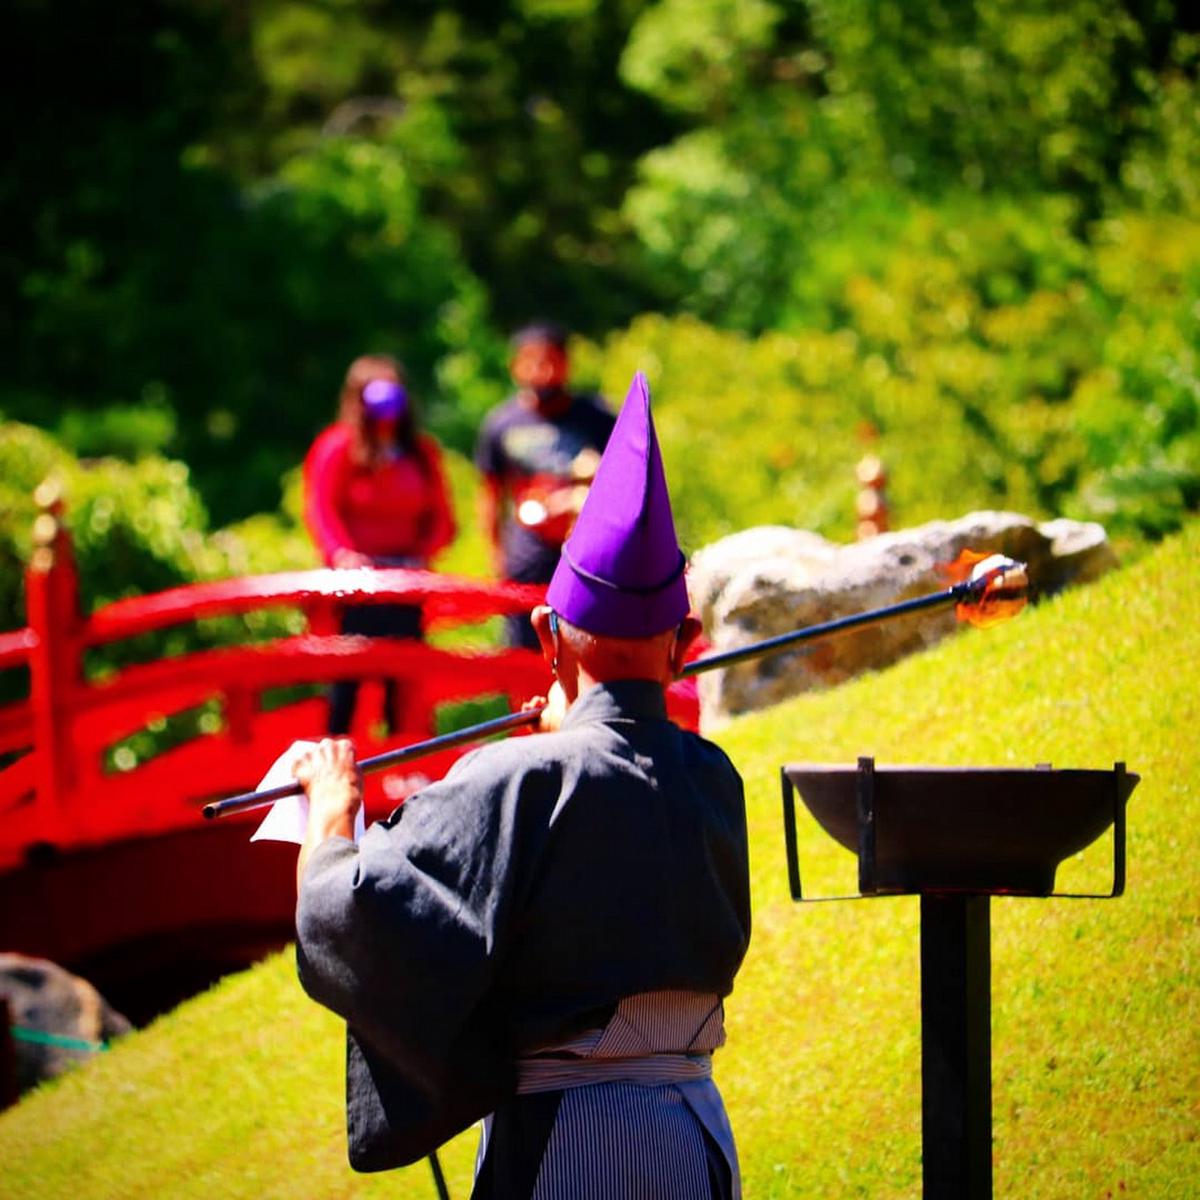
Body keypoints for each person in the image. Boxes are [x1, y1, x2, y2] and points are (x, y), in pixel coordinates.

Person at [292, 373, 752, 1197]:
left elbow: (358, 910)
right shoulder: (714, 777)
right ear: (685, 642)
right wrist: (567, 742)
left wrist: (332, 822)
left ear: (546, 635)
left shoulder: (522, 777)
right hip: (698, 1133)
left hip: (568, 1143)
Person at [303, 354, 456, 734]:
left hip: (404, 588)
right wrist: (342, 553)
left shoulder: (420, 453)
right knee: (345, 685)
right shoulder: (338, 448)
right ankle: (334, 765)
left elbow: (442, 518)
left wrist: (423, 554)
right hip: (354, 592)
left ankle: (405, 771)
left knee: (403, 685)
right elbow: (321, 508)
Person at [474, 322, 616, 649]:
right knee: (525, 645)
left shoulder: (596, 417)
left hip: (585, 551)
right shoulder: (502, 423)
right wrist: (497, 555)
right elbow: (492, 492)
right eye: (533, 361)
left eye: (552, 360)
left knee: (586, 642)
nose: (544, 371)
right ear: (516, 366)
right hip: (527, 552)